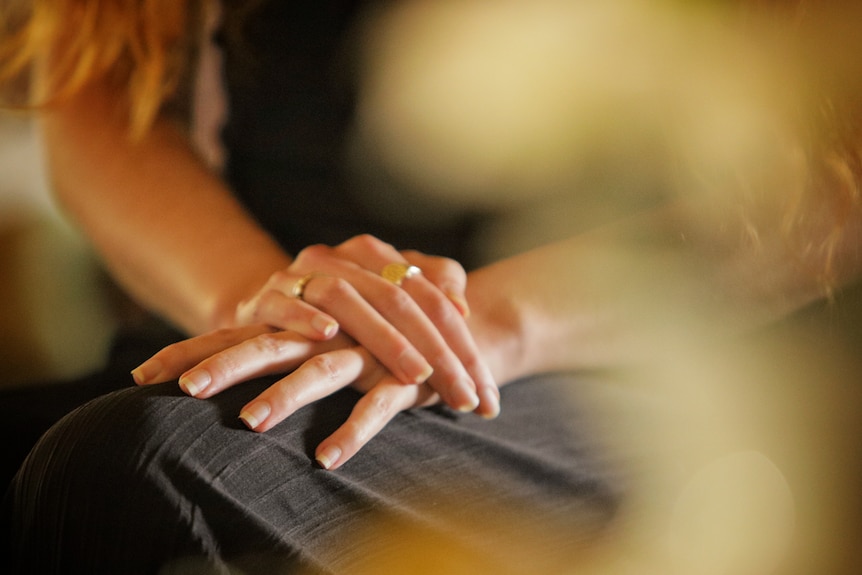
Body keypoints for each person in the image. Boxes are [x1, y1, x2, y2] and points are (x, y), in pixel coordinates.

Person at [1, 0, 861, 573]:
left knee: (135, 468)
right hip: (253, 310)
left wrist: (465, 326)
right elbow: (100, 84)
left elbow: (828, 188)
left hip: (602, 356)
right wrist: (267, 301)